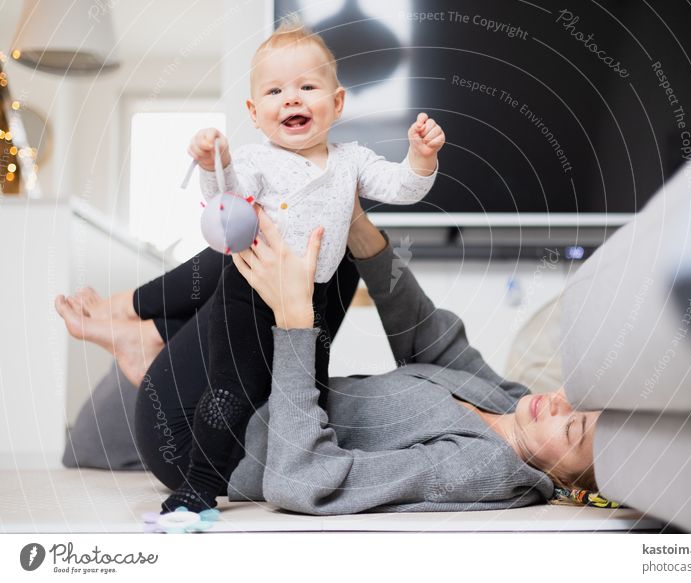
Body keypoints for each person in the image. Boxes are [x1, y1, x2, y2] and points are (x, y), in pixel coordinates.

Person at [56, 196, 599, 515]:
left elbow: (304, 478)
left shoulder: (484, 468)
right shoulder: (510, 402)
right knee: (326, 236)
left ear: (573, 486)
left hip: (201, 439)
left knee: (263, 233)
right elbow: (430, 338)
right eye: (576, 402)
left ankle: (125, 313)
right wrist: (358, 222)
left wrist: (296, 320)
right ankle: (145, 340)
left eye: (571, 431)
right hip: (249, 397)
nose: (555, 404)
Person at [158, 18, 445, 513]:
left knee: (307, 392)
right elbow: (226, 198)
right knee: (232, 389)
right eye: (274, 91)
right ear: (254, 111)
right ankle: (198, 485)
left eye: (307, 86)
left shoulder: (352, 159)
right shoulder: (254, 160)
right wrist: (214, 162)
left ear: (336, 103)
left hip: (315, 297)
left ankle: (291, 469)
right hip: (249, 293)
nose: (291, 99)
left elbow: (402, 188)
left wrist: (421, 158)